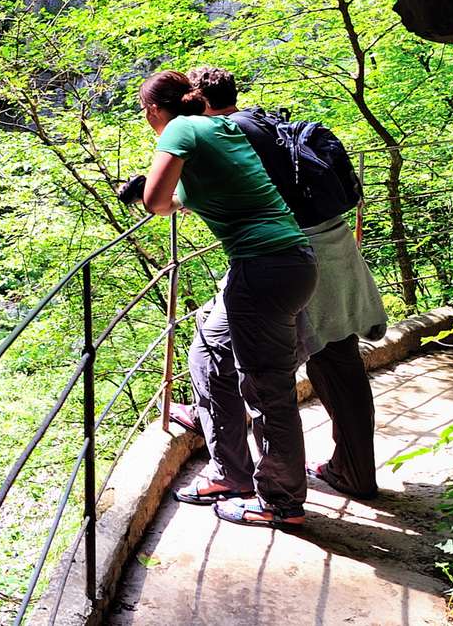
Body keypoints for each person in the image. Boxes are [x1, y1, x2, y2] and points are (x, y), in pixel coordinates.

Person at [128, 70, 319, 531]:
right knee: (209, 354)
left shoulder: (177, 128)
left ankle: (282, 501)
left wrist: (146, 193)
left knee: (266, 388)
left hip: (263, 266)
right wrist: (157, 194)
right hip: (281, 261)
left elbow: (157, 202)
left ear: (153, 110)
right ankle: (230, 474)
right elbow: (190, 198)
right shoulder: (221, 127)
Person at [188, 65, 387, 499]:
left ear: (199, 101)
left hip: (292, 253)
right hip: (332, 243)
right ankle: (355, 472)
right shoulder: (264, 121)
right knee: (338, 360)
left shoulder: (224, 135)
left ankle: (233, 468)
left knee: (216, 352)